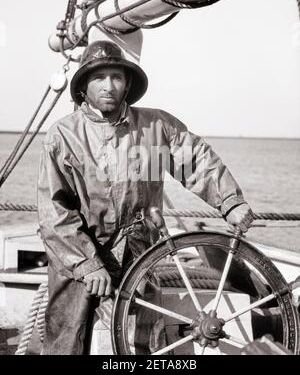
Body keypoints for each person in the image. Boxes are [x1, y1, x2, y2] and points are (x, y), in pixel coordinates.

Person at [37, 40, 254, 355]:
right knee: (65, 339)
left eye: (116, 77)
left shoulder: (156, 127)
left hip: (139, 254)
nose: (108, 85)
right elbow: (54, 212)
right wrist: (87, 264)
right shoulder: (63, 135)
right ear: (84, 84)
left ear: (127, 84)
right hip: (78, 257)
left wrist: (230, 201)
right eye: (99, 77)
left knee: (148, 341)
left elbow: (197, 162)